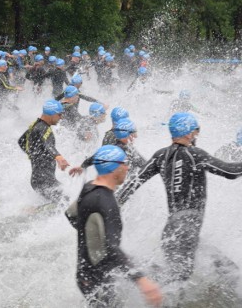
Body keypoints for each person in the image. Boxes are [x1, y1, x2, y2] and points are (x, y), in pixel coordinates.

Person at [116, 112, 242, 282]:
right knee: (178, 281)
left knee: (227, 270)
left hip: (174, 229)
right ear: (189, 133)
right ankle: (131, 274)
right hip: (187, 228)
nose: (197, 135)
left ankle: (136, 272)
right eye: (196, 131)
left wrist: (111, 202)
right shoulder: (195, 154)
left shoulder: (160, 156)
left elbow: (132, 184)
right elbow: (230, 171)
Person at [65, 145, 162, 307]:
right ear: (113, 168)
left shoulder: (89, 187)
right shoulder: (106, 202)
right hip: (96, 278)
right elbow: (111, 247)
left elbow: (70, 214)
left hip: (87, 273)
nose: (128, 167)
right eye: (124, 163)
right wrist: (141, 280)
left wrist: (89, 235)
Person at [18, 99, 72, 204]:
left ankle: (33, 210)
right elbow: (48, 144)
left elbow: (22, 141)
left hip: (39, 179)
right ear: (52, 114)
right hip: (44, 180)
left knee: (61, 202)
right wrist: (59, 158)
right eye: (59, 114)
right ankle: (33, 212)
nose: (61, 117)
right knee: (66, 202)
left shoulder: (35, 125)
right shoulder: (44, 128)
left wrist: (34, 155)